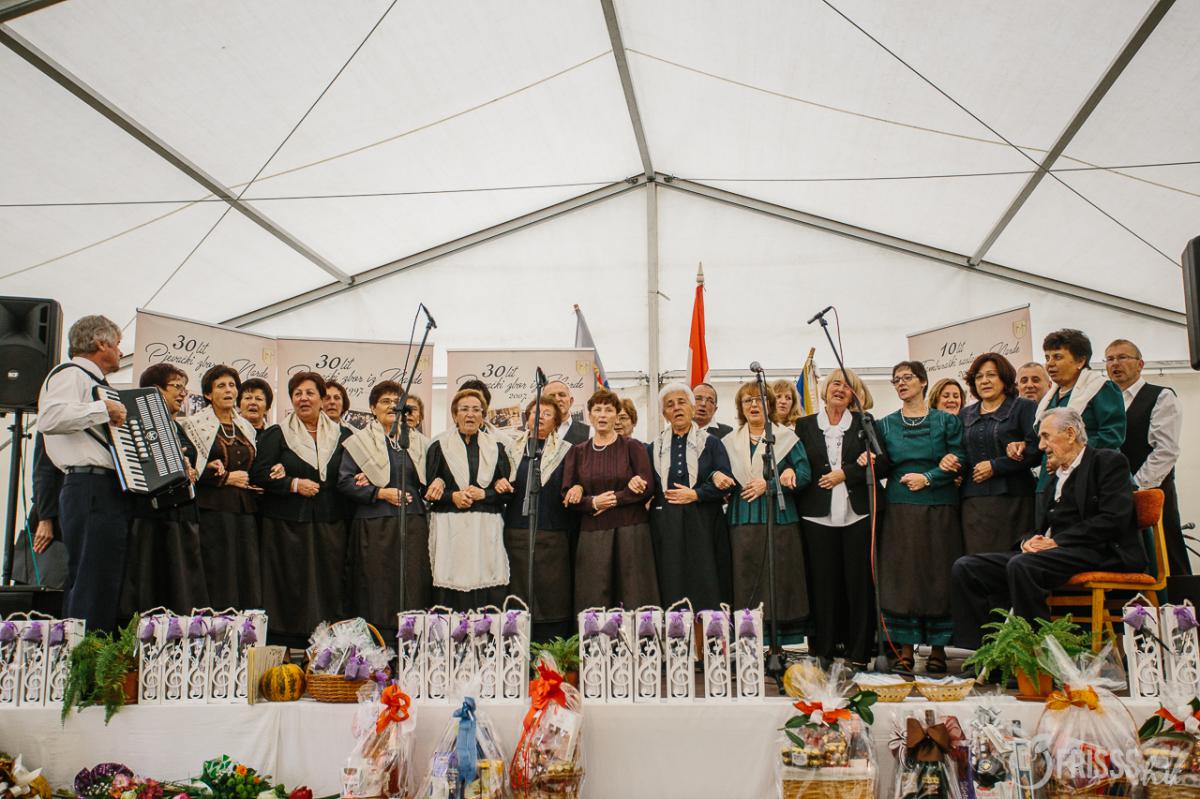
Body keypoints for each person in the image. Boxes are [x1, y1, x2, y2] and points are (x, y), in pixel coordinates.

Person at [952, 408, 1146, 649]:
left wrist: (1057, 542)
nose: (1041, 446)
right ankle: (986, 654)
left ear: (1070, 434)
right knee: (967, 567)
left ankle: (1036, 652)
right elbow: (1041, 527)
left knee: (1023, 565)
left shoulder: (1107, 462)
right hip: (1054, 553)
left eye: (1046, 436)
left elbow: (1114, 518)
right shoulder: (1055, 477)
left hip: (1097, 550)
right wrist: (1028, 542)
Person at [37, 315, 129, 631]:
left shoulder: (97, 383)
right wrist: (102, 409)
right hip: (87, 484)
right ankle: (83, 654)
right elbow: (49, 418)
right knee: (90, 579)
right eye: (117, 344)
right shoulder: (70, 374)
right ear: (101, 343)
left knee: (102, 579)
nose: (120, 351)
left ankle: (93, 649)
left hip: (105, 487)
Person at [876, 360, 965, 674]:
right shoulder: (885, 424)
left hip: (940, 507)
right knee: (904, 577)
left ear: (924, 381)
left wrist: (929, 477)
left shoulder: (947, 421)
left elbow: (960, 457)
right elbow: (882, 464)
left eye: (907, 377)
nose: (901, 383)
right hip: (899, 508)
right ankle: (904, 649)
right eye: (896, 379)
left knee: (938, 574)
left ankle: (939, 649)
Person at [251, 371, 352, 645]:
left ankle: (327, 646)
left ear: (321, 399)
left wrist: (362, 478)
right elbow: (258, 474)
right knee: (290, 586)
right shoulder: (277, 434)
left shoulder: (343, 435)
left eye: (309, 393)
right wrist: (293, 484)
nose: (303, 398)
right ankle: (287, 645)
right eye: (297, 394)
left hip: (331, 523)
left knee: (329, 585)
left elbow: (352, 472)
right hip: (286, 526)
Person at [796, 368, 883, 669]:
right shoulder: (805, 425)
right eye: (836, 383)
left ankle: (859, 653)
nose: (840, 389)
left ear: (854, 395)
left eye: (848, 386)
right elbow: (796, 461)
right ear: (825, 389)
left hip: (857, 515)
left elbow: (884, 462)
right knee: (822, 585)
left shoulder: (864, 423)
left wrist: (848, 472)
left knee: (859, 586)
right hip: (816, 516)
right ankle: (823, 649)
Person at [338, 380, 430, 634]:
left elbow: (431, 479)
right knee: (376, 584)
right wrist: (379, 492)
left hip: (412, 523)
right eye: (385, 401)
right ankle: (379, 640)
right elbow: (345, 482)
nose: (391, 406)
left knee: (412, 581)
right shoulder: (360, 442)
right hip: (374, 524)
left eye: (396, 402)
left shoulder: (417, 442)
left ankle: (411, 637)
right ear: (373, 408)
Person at [723, 382, 811, 638]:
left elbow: (804, 474)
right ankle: (748, 641)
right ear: (740, 407)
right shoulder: (729, 442)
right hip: (742, 517)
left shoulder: (786, 438)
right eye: (747, 400)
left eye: (759, 399)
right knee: (745, 580)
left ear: (769, 405)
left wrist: (770, 484)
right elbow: (717, 473)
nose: (753, 405)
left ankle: (778, 642)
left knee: (779, 581)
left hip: (780, 518)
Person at [119, 364, 207, 617]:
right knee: (151, 582)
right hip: (152, 517)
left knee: (182, 586)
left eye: (184, 388)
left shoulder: (177, 426)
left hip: (181, 515)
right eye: (176, 387)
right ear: (155, 390)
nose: (182, 394)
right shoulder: (134, 422)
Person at [563, 388, 657, 610]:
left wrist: (614, 499)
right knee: (594, 593)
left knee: (634, 592)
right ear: (589, 416)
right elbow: (566, 495)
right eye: (597, 410)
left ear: (616, 416)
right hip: (593, 532)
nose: (603, 415)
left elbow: (647, 486)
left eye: (608, 410)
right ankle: (596, 633)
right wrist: (593, 503)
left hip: (631, 530)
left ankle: (639, 632)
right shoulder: (578, 452)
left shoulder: (633, 447)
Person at [181, 365, 263, 611]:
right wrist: (224, 478)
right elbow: (189, 469)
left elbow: (254, 465)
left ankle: (246, 627)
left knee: (245, 570)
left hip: (244, 510)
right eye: (221, 386)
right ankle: (216, 625)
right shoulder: (193, 425)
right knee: (218, 569)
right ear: (208, 394)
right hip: (212, 510)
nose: (228, 390)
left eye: (232, 385)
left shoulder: (246, 427)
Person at [646, 383, 734, 611]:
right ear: (664, 414)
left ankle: (707, 630)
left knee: (705, 579)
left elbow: (726, 484)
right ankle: (674, 629)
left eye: (681, 402)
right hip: (667, 524)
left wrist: (696, 494)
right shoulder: (654, 448)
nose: (676, 408)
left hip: (704, 521)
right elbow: (649, 486)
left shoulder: (711, 443)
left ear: (692, 409)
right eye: (670, 405)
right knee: (670, 579)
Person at [1008, 330, 1125, 498]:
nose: (1050, 364)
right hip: (1049, 481)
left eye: (1057, 357)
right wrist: (1022, 446)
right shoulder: (1049, 397)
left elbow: (1112, 435)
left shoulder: (1100, 388)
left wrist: (1067, 456)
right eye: (1047, 357)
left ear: (1080, 361)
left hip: (1090, 480)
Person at [424, 388, 514, 609]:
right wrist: (452, 496)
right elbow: (427, 491)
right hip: (450, 528)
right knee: (451, 585)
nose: (470, 414)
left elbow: (508, 492)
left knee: (487, 583)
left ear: (483, 416)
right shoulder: (439, 447)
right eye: (464, 409)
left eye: (476, 410)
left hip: (485, 528)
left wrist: (486, 494)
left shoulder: (497, 448)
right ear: (454, 415)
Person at [1106, 338, 1186, 576]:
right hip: (1114, 493)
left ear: (1140, 364)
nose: (1115, 364)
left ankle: (1177, 598)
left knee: (1163, 553)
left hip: (1150, 488)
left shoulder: (1160, 396)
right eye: (1109, 359)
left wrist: (1137, 486)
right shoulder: (1105, 401)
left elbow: (1165, 450)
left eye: (1122, 357)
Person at [946, 354, 1039, 556]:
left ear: (1004, 378)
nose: (984, 381)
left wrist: (996, 466)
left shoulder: (1024, 407)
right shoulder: (964, 414)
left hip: (1016, 500)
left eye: (991, 375)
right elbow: (960, 453)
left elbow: (1035, 450)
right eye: (979, 377)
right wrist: (953, 463)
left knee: (1013, 560)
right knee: (977, 561)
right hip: (974, 505)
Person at [503, 396, 574, 640]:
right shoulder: (511, 449)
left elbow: (573, 483)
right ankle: (518, 645)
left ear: (556, 422)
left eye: (547, 414)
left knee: (552, 594)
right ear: (527, 418)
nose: (539, 417)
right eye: (535, 413)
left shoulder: (567, 451)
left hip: (553, 532)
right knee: (520, 592)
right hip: (517, 530)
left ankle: (551, 646)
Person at [13, 433, 69, 589]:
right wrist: (45, 518)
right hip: (52, 512)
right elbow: (42, 471)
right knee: (36, 582)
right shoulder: (52, 423)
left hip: (67, 511)